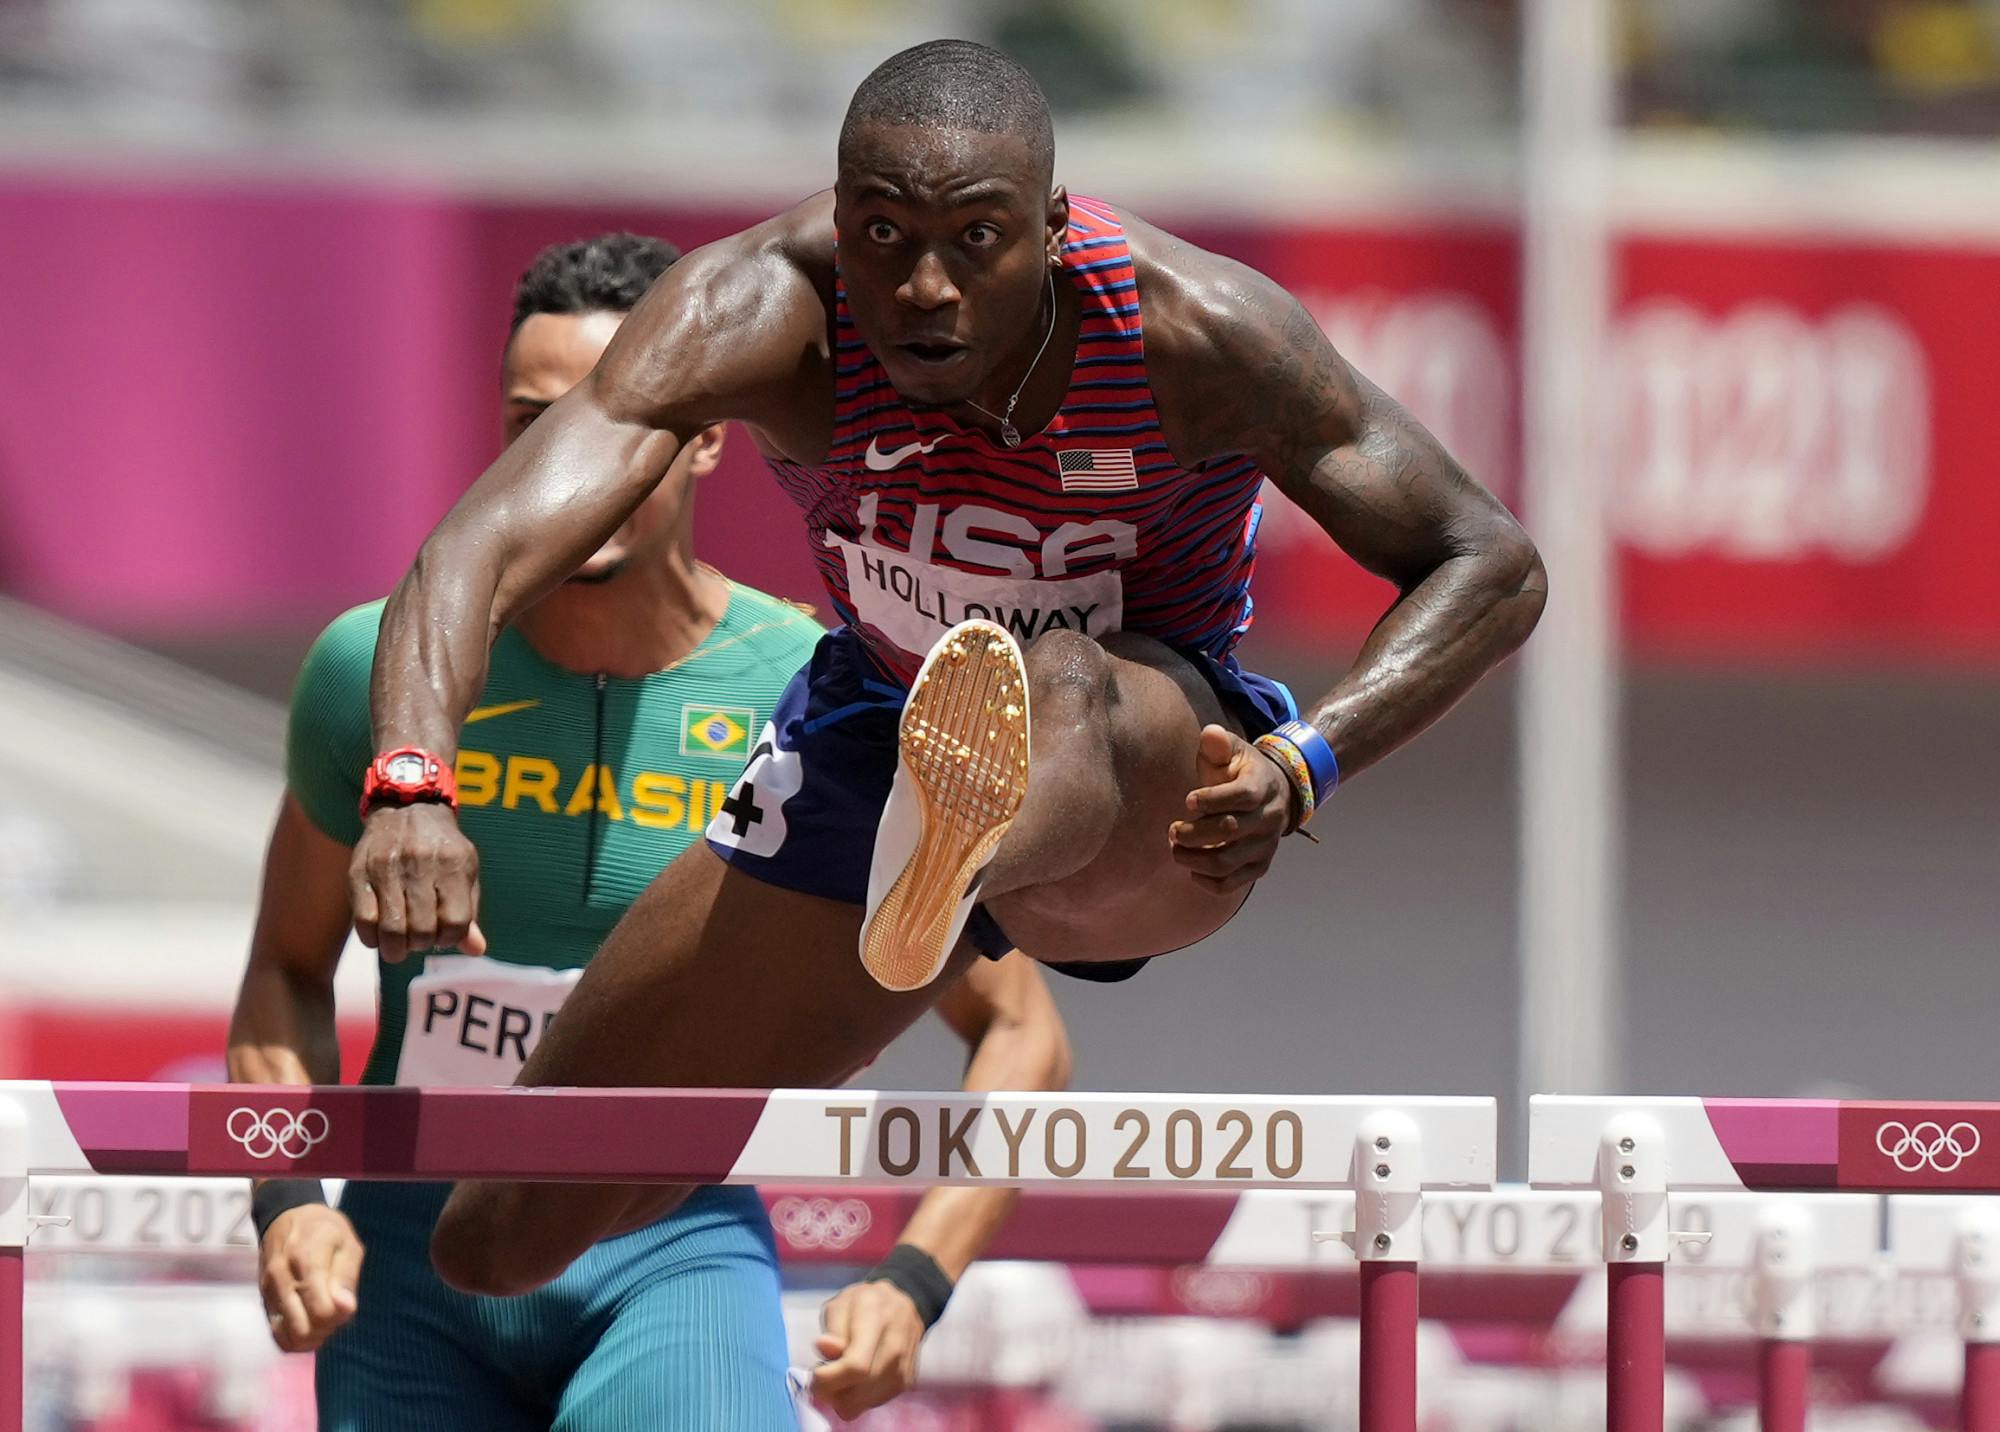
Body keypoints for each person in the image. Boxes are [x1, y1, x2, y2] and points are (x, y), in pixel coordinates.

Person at [348, 39, 1546, 1297]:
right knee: (494, 1235)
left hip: (1149, 783)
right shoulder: (755, 307)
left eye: (974, 242)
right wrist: (412, 782)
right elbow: (477, 545)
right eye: (880, 234)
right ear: (837, 217)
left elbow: (1488, 561)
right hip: (875, 736)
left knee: (1064, 678)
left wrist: (1306, 763)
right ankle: (925, 855)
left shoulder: (1197, 333)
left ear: (1050, 221)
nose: (922, 288)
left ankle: (955, 848)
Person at [226, 232, 1075, 1430]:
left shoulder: (820, 695)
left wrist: (915, 1274)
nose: (572, 463)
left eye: (614, 422)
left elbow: (1020, 1033)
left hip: (668, 1247)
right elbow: (285, 968)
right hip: (407, 1263)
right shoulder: (374, 671)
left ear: (712, 432)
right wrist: (289, 1195)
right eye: (532, 422)